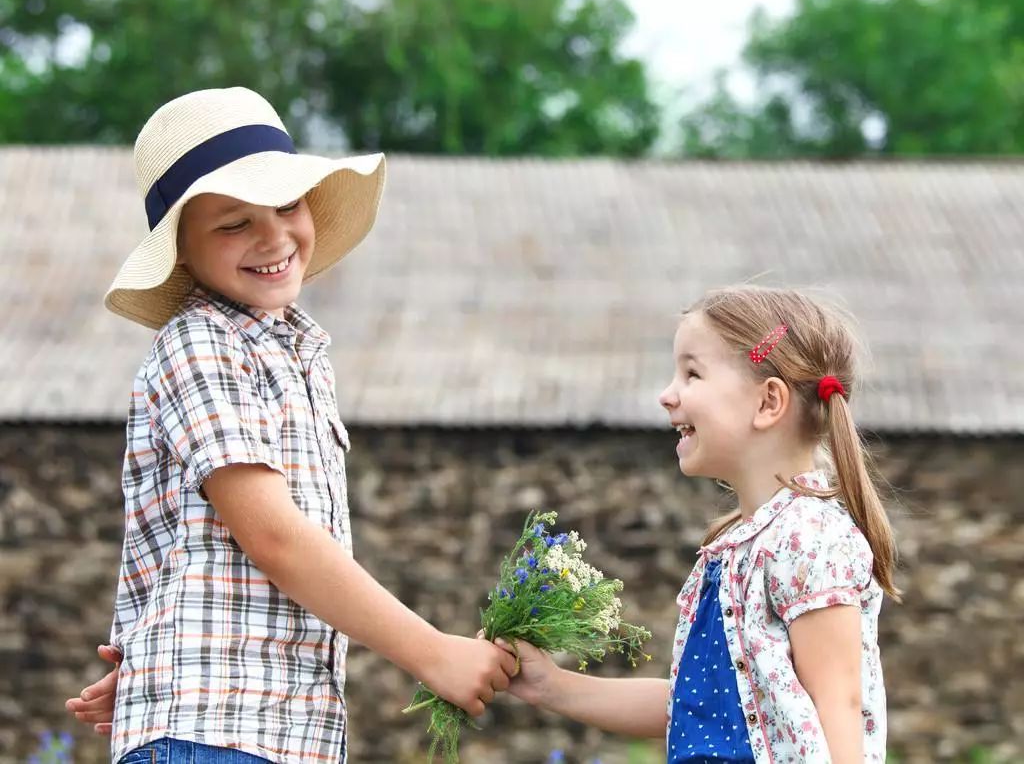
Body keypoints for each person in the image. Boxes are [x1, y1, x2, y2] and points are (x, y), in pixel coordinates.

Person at [65, 87, 516, 764]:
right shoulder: (202, 342)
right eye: (233, 224)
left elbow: (199, 552)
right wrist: (433, 652)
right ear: (180, 249)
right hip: (219, 732)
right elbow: (274, 536)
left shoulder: (299, 353)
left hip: (271, 730)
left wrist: (153, 653)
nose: (273, 237)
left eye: (286, 206)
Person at [497, 285, 899, 763]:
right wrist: (551, 685)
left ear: (768, 402)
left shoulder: (809, 537)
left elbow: (839, 703)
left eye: (692, 373)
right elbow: (692, 708)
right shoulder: (737, 549)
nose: (667, 395)